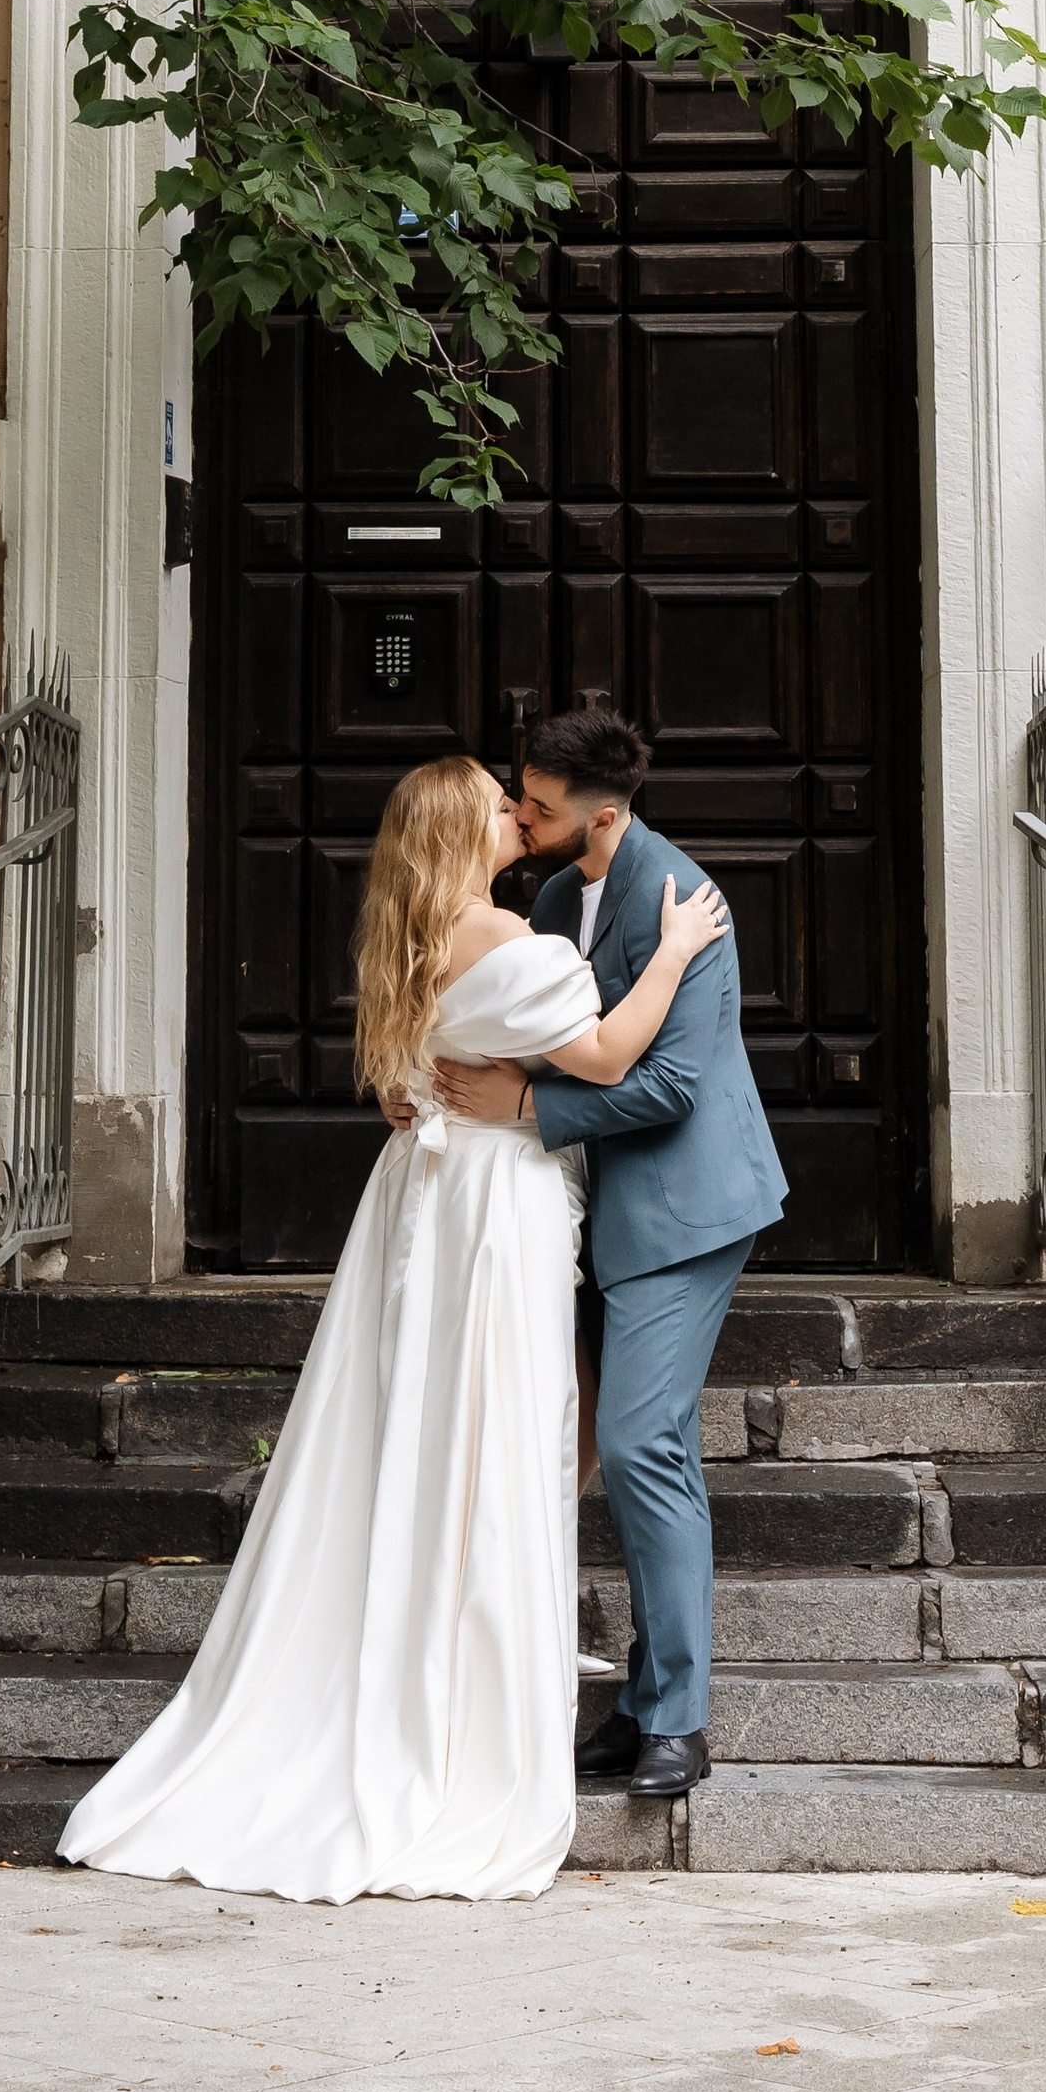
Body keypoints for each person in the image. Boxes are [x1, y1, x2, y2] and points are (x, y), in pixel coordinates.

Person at [55, 748, 734, 1903]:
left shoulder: (405, 938)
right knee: (494, 1429)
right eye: (499, 809)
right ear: (464, 836)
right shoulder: (517, 946)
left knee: (428, 1426)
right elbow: (617, 1055)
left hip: (423, 1197)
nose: (518, 818)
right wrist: (672, 953)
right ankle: (468, 1679)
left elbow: (398, 1089)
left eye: (529, 804)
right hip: (491, 1206)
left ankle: (435, 1635)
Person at [432, 707, 790, 1802]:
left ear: (601, 811)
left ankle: (677, 1718)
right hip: (570, 1215)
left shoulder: (684, 898)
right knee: (576, 1448)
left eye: (535, 806)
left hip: (682, 1206)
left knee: (639, 1444)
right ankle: (635, 1704)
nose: (519, 817)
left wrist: (529, 1109)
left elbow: (674, 1082)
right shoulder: (544, 897)